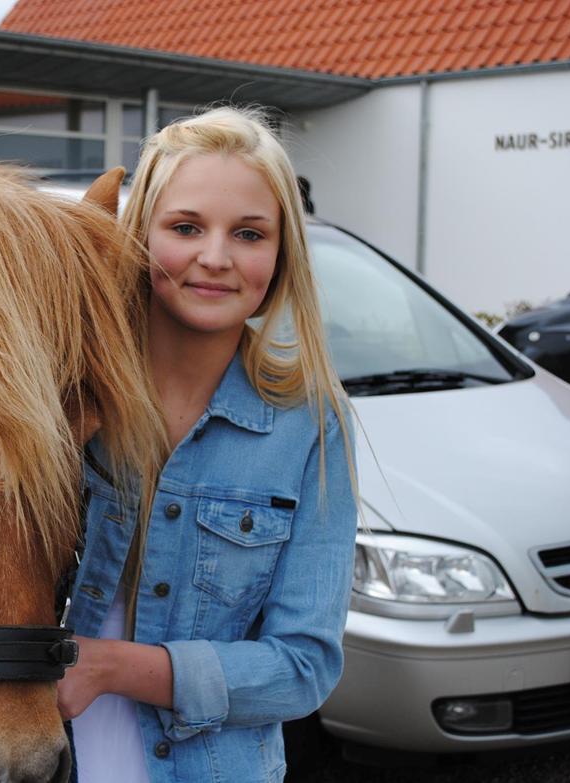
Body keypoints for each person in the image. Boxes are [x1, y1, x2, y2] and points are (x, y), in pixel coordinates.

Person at [58, 106, 358, 783]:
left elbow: (304, 666)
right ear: (141, 235)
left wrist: (112, 667)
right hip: (37, 757)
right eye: (186, 227)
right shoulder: (61, 391)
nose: (215, 257)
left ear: (281, 254)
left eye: (249, 233)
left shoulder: (310, 422)